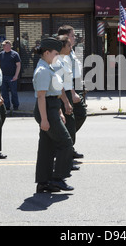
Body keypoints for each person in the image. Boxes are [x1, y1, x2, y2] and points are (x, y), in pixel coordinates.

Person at [33, 37, 74, 193]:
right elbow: (42, 96)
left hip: (51, 108)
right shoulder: (43, 70)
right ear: (47, 52)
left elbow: (53, 92)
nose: (58, 56)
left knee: (46, 147)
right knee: (65, 142)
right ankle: (58, 178)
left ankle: (44, 181)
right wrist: (44, 119)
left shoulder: (48, 67)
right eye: (56, 53)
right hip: (47, 110)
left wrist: (59, 111)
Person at [57, 25, 86, 159]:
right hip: (69, 88)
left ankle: (68, 146)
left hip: (75, 85)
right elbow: (64, 77)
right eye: (73, 35)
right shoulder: (61, 55)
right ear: (66, 37)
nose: (75, 38)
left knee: (75, 117)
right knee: (75, 116)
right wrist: (73, 92)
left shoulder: (71, 51)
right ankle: (65, 146)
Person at [53, 35, 80, 171]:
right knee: (67, 128)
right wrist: (66, 102)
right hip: (62, 96)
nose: (71, 47)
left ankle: (66, 159)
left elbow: (68, 82)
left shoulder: (65, 60)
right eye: (69, 45)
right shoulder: (57, 62)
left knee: (70, 127)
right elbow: (59, 85)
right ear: (62, 46)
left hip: (68, 93)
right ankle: (63, 161)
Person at [0, 40, 21, 112]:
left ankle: (15, 106)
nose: (6, 47)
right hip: (3, 76)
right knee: (4, 92)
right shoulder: (0, 54)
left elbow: (18, 65)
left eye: (7, 45)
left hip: (12, 76)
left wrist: (16, 75)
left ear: (10, 46)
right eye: (4, 46)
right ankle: (6, 106)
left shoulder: (15, 54)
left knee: (14, 92)